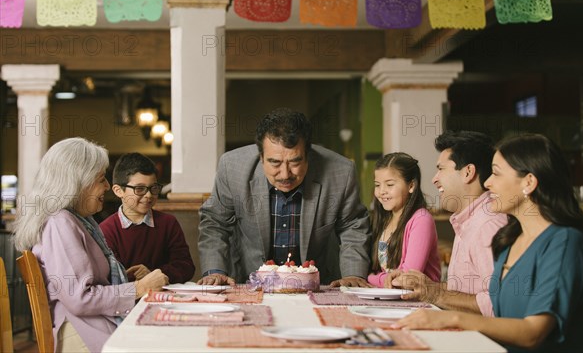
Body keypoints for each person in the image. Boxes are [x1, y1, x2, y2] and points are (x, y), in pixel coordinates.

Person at [393, 134, 583, 353]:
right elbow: (492, 304)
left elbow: (533, 333)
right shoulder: (511, 239)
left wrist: (450, 318)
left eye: (497, 174)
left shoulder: (565, 242)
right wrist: (430, 291)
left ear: (528, 182)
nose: (488, 182)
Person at [13, 138, 168, 353]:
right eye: (101, 179)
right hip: (84, 333)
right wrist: (138, 288)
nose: (107, 186)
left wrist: (126, 279)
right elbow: (80, 298)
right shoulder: (60, 222)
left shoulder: (78, 220)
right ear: (77, 182)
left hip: (91, 325)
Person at [197, 107, 371, 286]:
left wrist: (354, 274)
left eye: (295, 162)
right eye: (275, 163)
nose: (285, 174)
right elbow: (215, 222)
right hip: (248, 281)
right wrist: (215, 271)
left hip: (318, 285)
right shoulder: (232, 167)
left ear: (308, 156)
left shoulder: (340, 171)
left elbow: (353, 226)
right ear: (261, 157)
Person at [385, 131, 507, 316]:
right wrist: (423, 284)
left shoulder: (488, 225)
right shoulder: (468, 221)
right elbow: (466, 290)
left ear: (468, 172)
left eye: (441, 169)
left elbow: (498, 303)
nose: (434, 178)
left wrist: (435, 293)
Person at [100, 153, 195, 284]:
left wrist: (153, 273)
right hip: (127, 300)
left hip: (165, 298)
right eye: (139, 189)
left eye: (153, 188)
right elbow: (110, 276)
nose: (149, 195)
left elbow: (186, 267)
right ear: (118, 191)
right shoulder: (106, 230)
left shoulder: (168, 223)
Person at [368, 152, 440, 287]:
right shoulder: (383, 219)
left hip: (421, 302)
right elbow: (375, 270)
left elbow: (407, 278)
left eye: (389, 185)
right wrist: (381, 278)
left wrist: (371, 278)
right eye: (377, 185)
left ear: (411, 186)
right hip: (392, 299)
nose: (382, 191)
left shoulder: (421, 219)